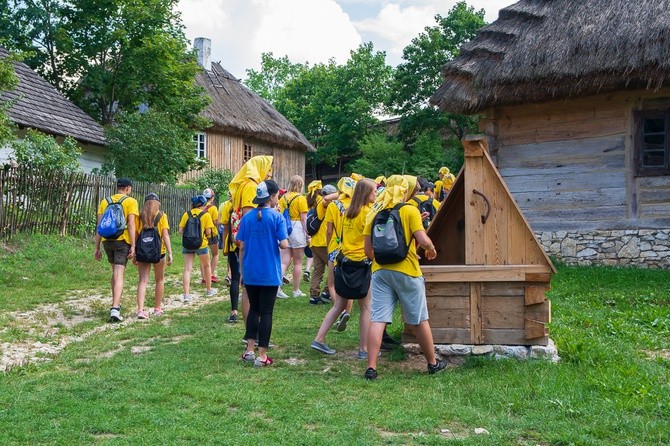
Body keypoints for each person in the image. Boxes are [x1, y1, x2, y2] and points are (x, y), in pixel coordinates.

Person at [362, 174, 448, 380]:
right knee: (419, 319)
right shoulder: (410, 210)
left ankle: (371, 367)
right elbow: (423, 239)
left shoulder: (374, 212)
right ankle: (432, 363)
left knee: (378, 318)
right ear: (407, 191)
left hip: (380, 271)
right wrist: (431, 249)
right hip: (407, 271)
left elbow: (368, 251)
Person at [311, 178, 377, 358]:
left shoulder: (348, 212)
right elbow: (369, 243)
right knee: (366, 307)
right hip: (362, 265)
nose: (376, 194)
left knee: (339, 305)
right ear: (365, 194)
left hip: (344, 262)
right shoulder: (368, 213)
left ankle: (319, 339)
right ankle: (364, 349)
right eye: (373, 192)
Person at [237, 180, 289, 367]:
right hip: (269, 272)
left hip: (250, 271)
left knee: (254, 310)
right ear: (273, 197)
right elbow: (284, 244)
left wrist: (242, 271)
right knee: (266, 312)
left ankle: (249, 350)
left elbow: (241, 245)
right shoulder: (276, 217)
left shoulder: (247, 217)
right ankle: (262, 355)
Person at [228, 155, 274, 324]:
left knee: (248, 285)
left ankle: (252, 330)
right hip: (248, 242)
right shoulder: (251, 186)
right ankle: (252, 330)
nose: (269, 173)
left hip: (243, 239)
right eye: (268, 168)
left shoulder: (245, 184)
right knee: (249, 287)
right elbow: (249, 214)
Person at [94, 177, 139, 322]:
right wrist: (133, 245)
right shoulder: (130, 202)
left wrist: (97, 247)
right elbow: (131, 224)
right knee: (119, 274)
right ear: (127, 188)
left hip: (107, 241)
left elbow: (100, 225)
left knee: (114, 273)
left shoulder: (105, 201)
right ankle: (115, 308)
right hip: (122, 241)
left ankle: (116, 301)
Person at [324, 177, 356, 330]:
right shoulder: (357, 205)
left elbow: (329, 230)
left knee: (332, 283)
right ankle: (347, 312)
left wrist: (328, 245)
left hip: (335, 247)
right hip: (350, 248)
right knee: (349, 284)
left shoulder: (333, 206)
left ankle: (338, 309)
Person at [134, 193, 172, 318]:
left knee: (143, 280)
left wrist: (134, 251)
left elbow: (136, 235)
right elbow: (165, 235)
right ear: (158, 203)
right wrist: (170, 252)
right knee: (159, 279)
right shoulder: (162, 215)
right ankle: (157, 308)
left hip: (142, 251)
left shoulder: (139, 216)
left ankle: (140, 309)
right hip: (159, 252)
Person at [179, 195, 217, 301]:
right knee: (207, 266)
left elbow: (180, 230)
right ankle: (209, 290)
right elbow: (209, 232)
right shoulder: (205, 215)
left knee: (187, 269)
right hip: (201, 244)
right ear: (203, 204)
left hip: (188, 244)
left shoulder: (186, 214)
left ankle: (186, 294)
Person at [278, 175, 310, 298]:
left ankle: (277, 288)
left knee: (284, 261)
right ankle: (296, 290)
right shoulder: (300, 198)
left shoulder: (283, 197)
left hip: (285, 228)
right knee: (298, 262)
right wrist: (307, 234)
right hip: (297, 228)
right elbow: (303, 219)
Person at [308, 183, 338, 305]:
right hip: (323, 242)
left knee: (318, 269)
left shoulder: (320, 202)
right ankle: (327, 292)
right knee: (335, 267)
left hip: (316, 242)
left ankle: (314, 295)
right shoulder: (324, 203)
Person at [219, 192, 241, 323]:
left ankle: (234, 311)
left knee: (235, 278)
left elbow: (226, 228)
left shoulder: (228, 206)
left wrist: (225, 247)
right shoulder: (247, 206)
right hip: (246, 245)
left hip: (232, 245)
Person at [201, 188, 220, 284]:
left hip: (202, 234)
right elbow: (216, 222)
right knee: (215, 254)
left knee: (202, 256)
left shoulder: (200, 208)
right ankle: (210, 274)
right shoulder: (213, 208)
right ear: (212, 197)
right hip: (212, 233)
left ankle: (203, 276)